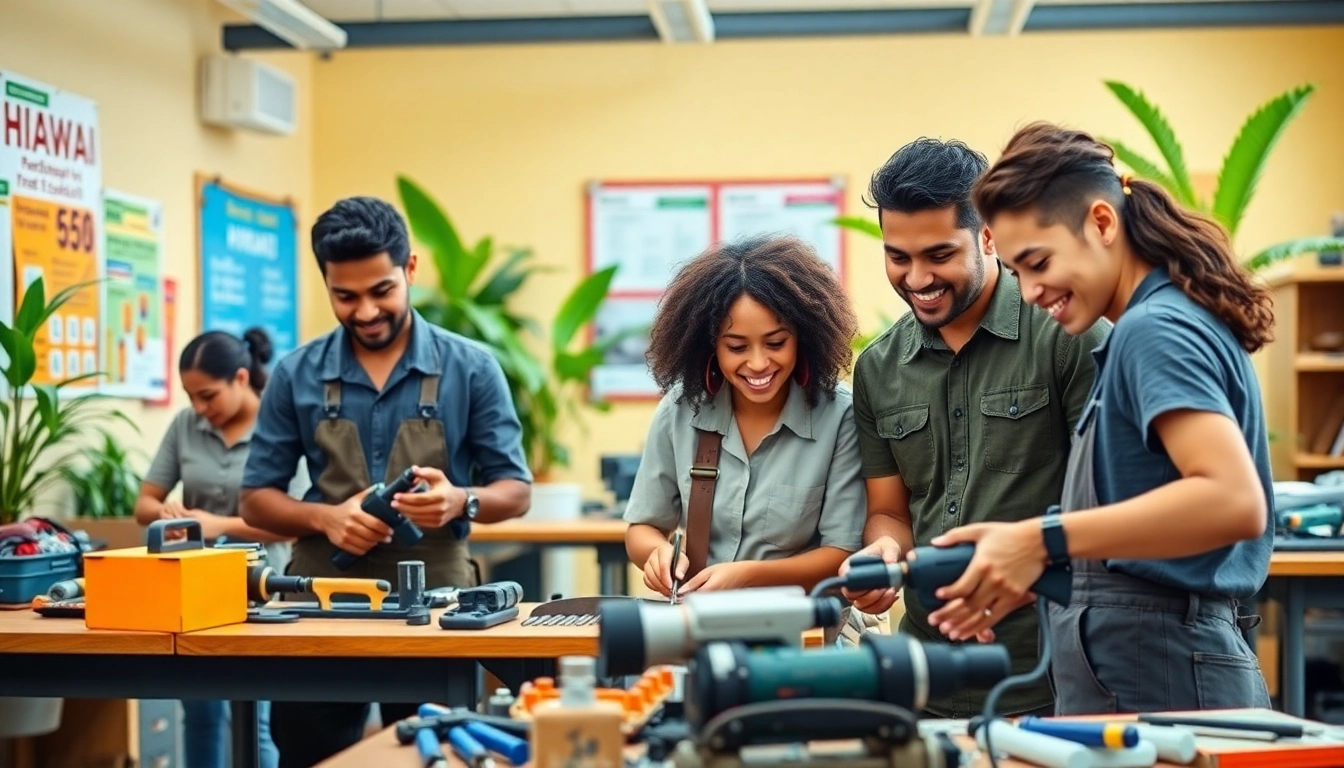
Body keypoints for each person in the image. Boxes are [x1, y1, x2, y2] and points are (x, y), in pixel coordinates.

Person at [924, 121, 1274, 714]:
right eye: (1016, 273)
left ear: (1102, 223)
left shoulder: (1154, 330)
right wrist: (1037, 564)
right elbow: (1142, 521)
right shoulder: (1144, 327)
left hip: (1163, 670)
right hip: (1141, 662)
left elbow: (1231, 500)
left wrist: (1042, 537)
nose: (1031, 291)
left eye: (1038, 262)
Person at [239, 196, 533, 767]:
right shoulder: (296, 374)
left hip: (439, 610)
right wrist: (326, 517)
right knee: (308, 753)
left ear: (411, 270)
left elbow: (515, 490)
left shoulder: (471, 368)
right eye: (344, 296)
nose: (366, 311)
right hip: (319, 607)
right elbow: (255, 500)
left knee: (434, 753)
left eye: (382, 291)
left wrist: (459, 500)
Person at [836, 138, 1109, 719]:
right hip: (922, 678)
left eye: (939, 254)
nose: (916, 278)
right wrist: (883, 554)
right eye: (897, 257)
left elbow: (1110, 504)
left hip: (1049, 675)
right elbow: (891, 510)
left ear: (988, 236)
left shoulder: (1066, 335)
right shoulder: (878, 369)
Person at [624, 235, 866, 599]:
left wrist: (748, 576)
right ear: (710, 346)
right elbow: (642, 528)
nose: (757, 364)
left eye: (775, 343)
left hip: (805, 630)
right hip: (702, 625)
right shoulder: (680, 410)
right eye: (736, 347)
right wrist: (656, 555)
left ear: (804, 337)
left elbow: (841, 555)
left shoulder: (840, 417)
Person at [135, 327, 299, 768]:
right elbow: (144, 504)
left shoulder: (279, 426)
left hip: (260, 593)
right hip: (193, 593)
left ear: (241, 379)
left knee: (256, 719)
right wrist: (168, 513)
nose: (199, 408)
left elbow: (295, 524)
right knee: (202, 714)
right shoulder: (187, 425)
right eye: (190, 397)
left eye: (207, 395)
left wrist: (218, 524)